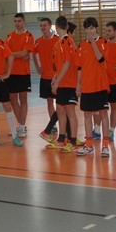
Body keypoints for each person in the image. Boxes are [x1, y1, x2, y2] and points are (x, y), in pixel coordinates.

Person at [76, 18, 111, 157]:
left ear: (96, 28)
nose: (90, 31)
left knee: (103, 114)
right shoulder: (81, 45)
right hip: (87, 86)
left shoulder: (103, 42)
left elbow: (100, 58)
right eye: (87, 28)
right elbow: (79, 67)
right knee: (87, 115)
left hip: (100, 85)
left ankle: (105, 146)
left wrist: (93, 43)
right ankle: (89, 145)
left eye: (92, 28)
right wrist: (78, 85)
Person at [50, 17, 80, 152]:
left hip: (69, 83)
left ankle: (73, 141)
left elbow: (67, 63)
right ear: (67, 26)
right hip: (62, 82)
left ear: (56, 26)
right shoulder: (59, 43)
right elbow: (61, 64)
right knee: (60, 110)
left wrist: (57, 81)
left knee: (70, 111)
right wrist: (55, 76)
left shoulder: (68, 41)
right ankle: (61, 139)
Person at [5, 13, 35, 139]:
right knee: (13, 99)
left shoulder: (29, 36)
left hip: (23, 72)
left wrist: (12, 54)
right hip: (11, 72)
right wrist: (19, 55)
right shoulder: (9, 36)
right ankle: (21, 124)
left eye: (19, 21)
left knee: (23, 99)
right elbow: (7, 53)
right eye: (15, 21)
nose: (17, 23)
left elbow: (25, 53)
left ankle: (22, 126)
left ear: (24, 21)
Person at [34, 17, 60, 142]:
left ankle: (63, 126)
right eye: (41, 25)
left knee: (61, 104)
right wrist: (37, 66)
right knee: (49, 102)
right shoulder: (38, 41)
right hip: (45, 77)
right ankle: (53, 124)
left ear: (50, 26)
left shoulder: (57, 40)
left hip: (56, 77)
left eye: (45, 25)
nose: (43, 27)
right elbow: (34, 53)